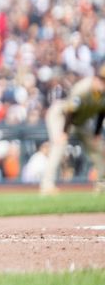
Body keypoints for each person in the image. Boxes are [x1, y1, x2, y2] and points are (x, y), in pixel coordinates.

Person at [40, 65, 105, 195]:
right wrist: (64, 133)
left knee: (98, 148)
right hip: (61, 116)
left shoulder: (102, 94)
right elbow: (70, 111)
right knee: (59, 145)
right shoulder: (83, 89)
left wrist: (97, 134)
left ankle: (102, 185)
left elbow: (102, 112)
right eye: (102, 80)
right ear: (95, 79)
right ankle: (47, 186)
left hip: (81, 120)